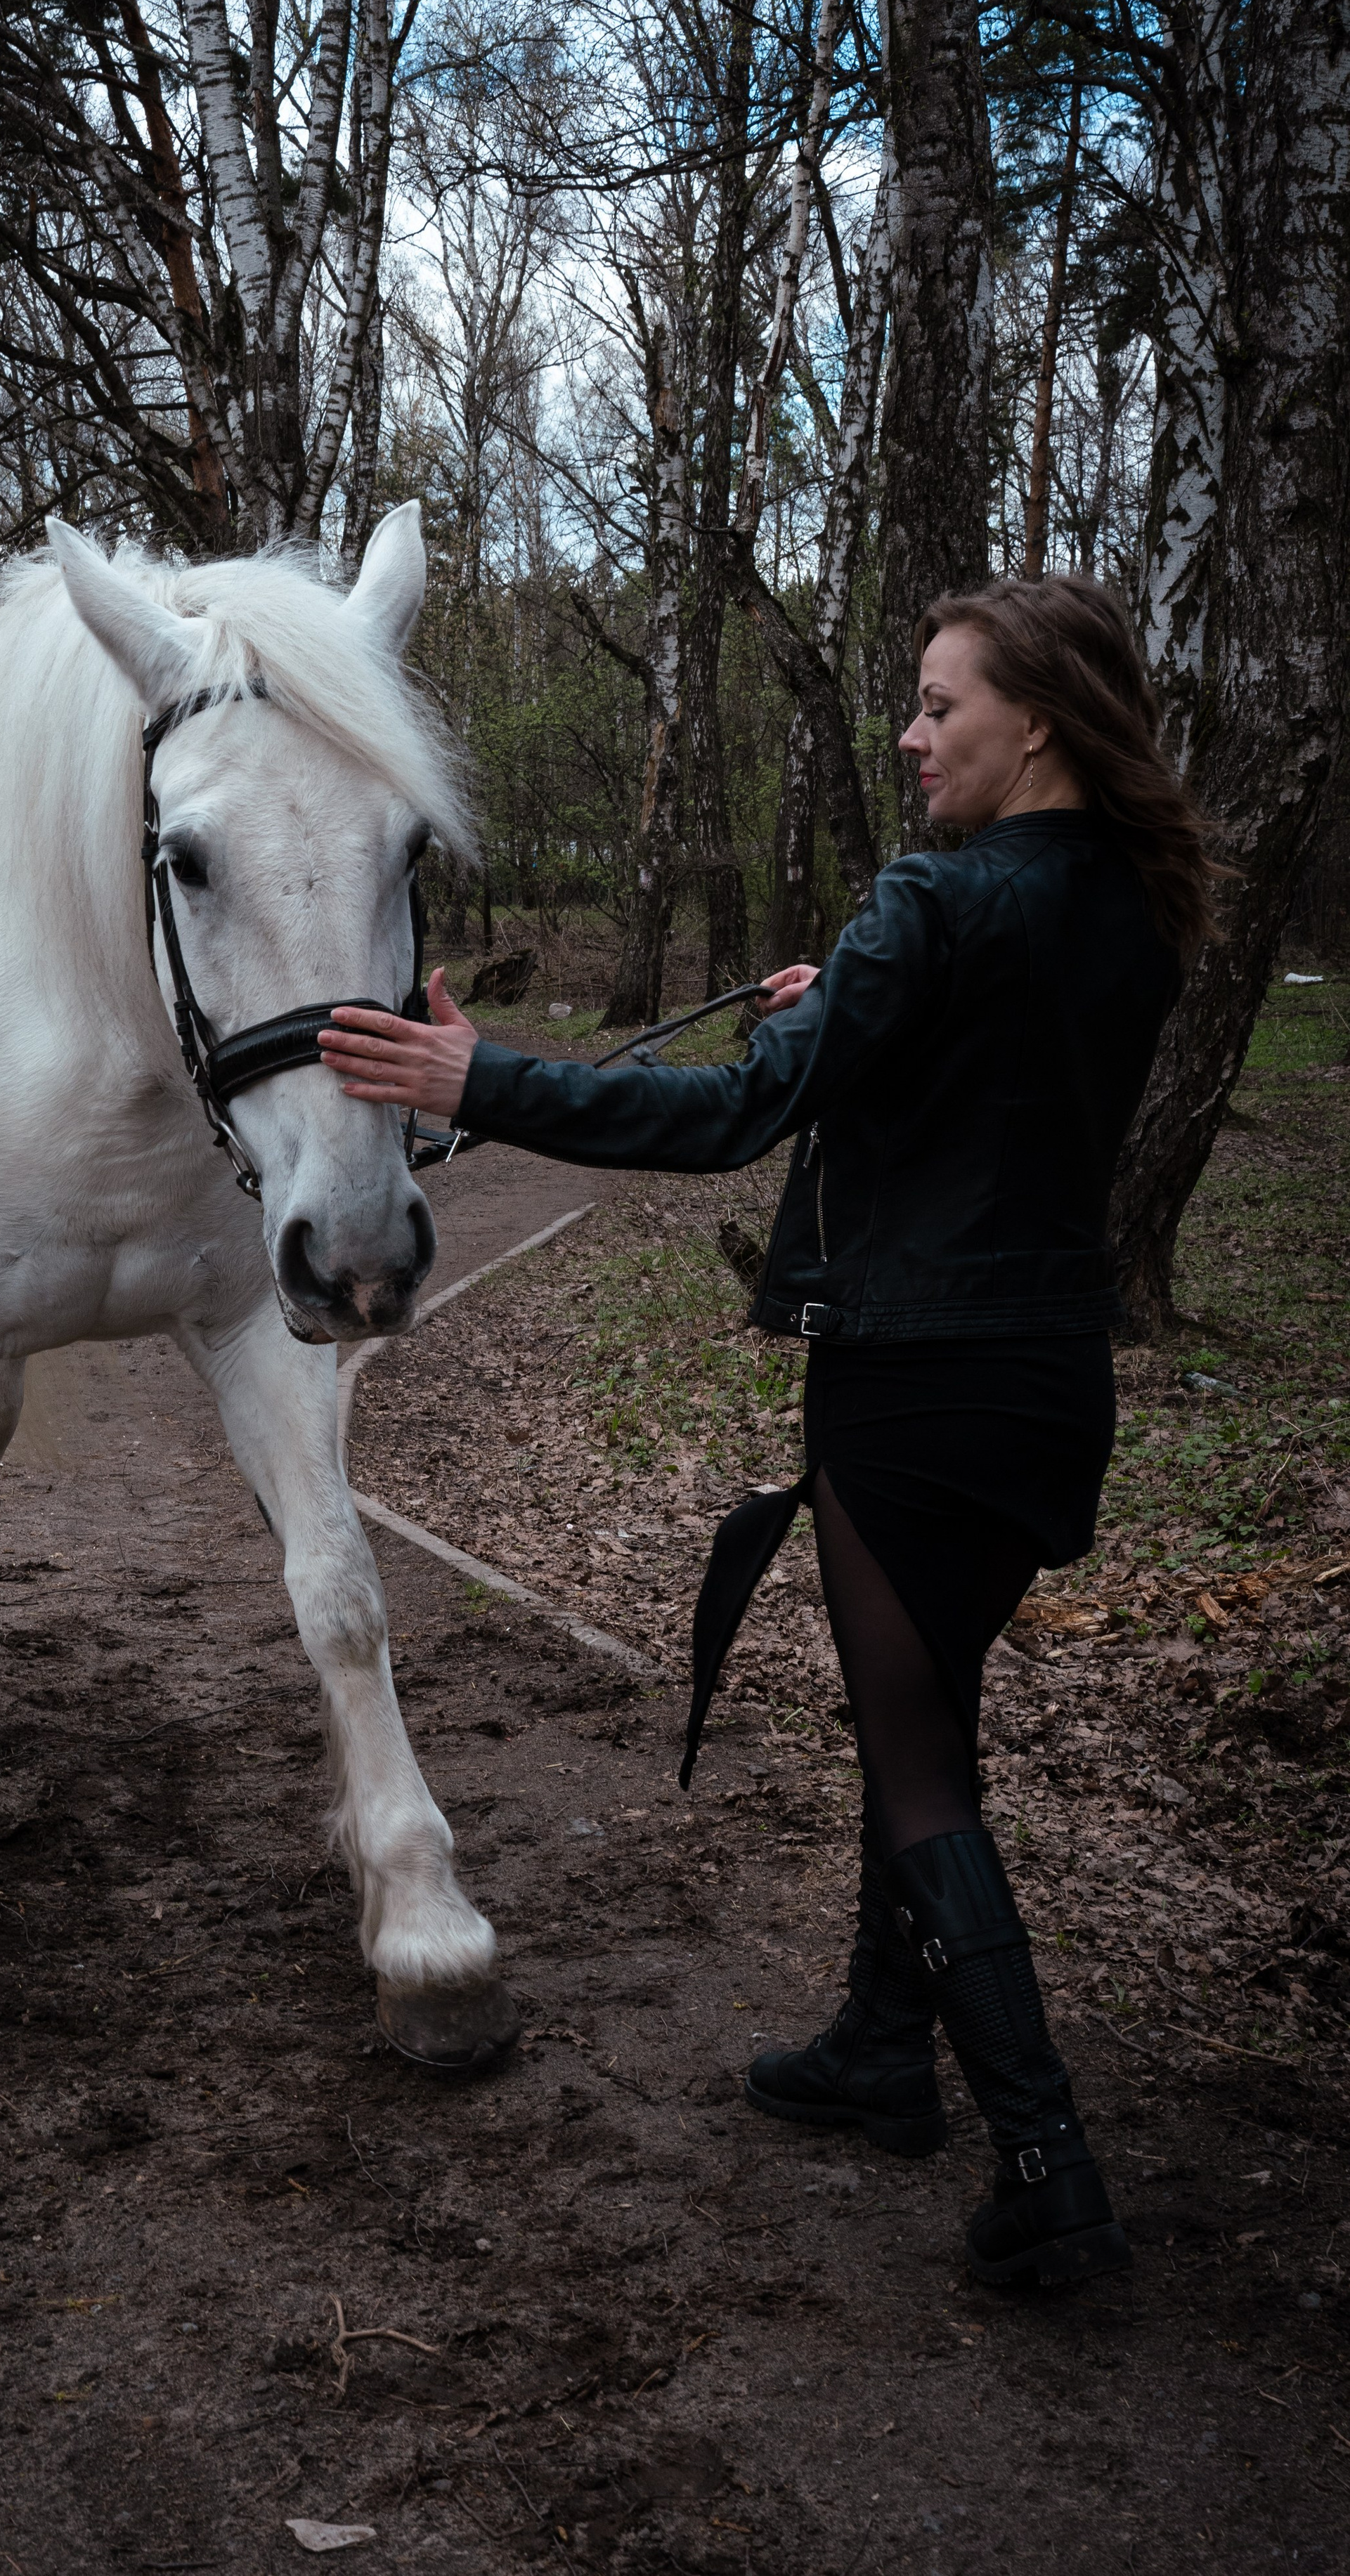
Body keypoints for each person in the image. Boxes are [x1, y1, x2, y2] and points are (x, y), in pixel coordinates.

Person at [320, 575, 1222, 2292]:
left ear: (1029, 720)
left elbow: (730, 1116)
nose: (910, 731)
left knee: (915, 1762)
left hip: (911, 1389)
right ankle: (886, 2051)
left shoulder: (936, 904)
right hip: (1044, 1382)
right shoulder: (1132, 906)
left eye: (937, 703)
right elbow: (974, 1082)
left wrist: (473, 1079)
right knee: (931, 1708)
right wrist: (845, 1008)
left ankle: (1049, 2167)